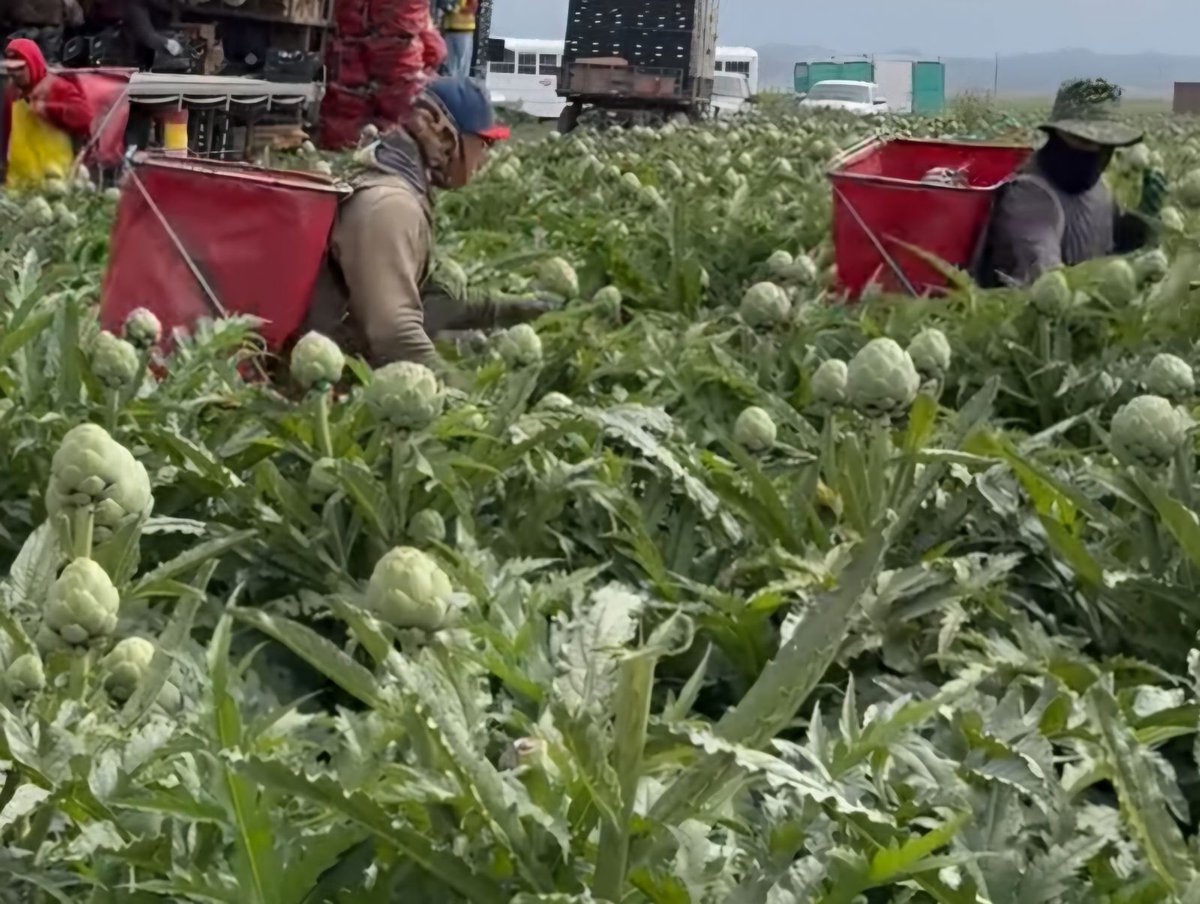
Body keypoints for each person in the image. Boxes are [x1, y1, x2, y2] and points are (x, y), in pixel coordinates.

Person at [301, 77, 549, 370]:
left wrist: (507, 310)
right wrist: (460, 397)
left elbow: (430, 302)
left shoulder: (401, 187)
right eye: (484, 144)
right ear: (447, 136)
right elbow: (395, 333)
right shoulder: (392, 205)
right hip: (334, 377)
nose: (486, 158)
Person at [978, 78, 1169, 288]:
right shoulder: (1029, 196)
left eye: (1105, 144)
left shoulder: (1099, 187)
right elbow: (1048, 281)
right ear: (1057, 135)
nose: (1096, 151)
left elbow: (1109, 244)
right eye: (1085, 140)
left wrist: (1144, 223)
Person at [1, 37, 93, 189]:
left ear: (33, 63)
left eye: (20, 68)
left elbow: (84, 117)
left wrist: (47, 109)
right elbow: (6, 131)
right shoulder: (12, 92)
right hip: (19, 184)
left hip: (55, 182)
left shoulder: (57, 87)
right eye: (11, 70)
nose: (15, 74)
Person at [439, 0, 477, 80]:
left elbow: (472, 7)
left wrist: (455, 8)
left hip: (464, 31)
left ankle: (461, 86)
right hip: (449, 30)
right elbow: (442, 5)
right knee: (450, 64)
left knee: (462, 64)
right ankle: (451, 86)